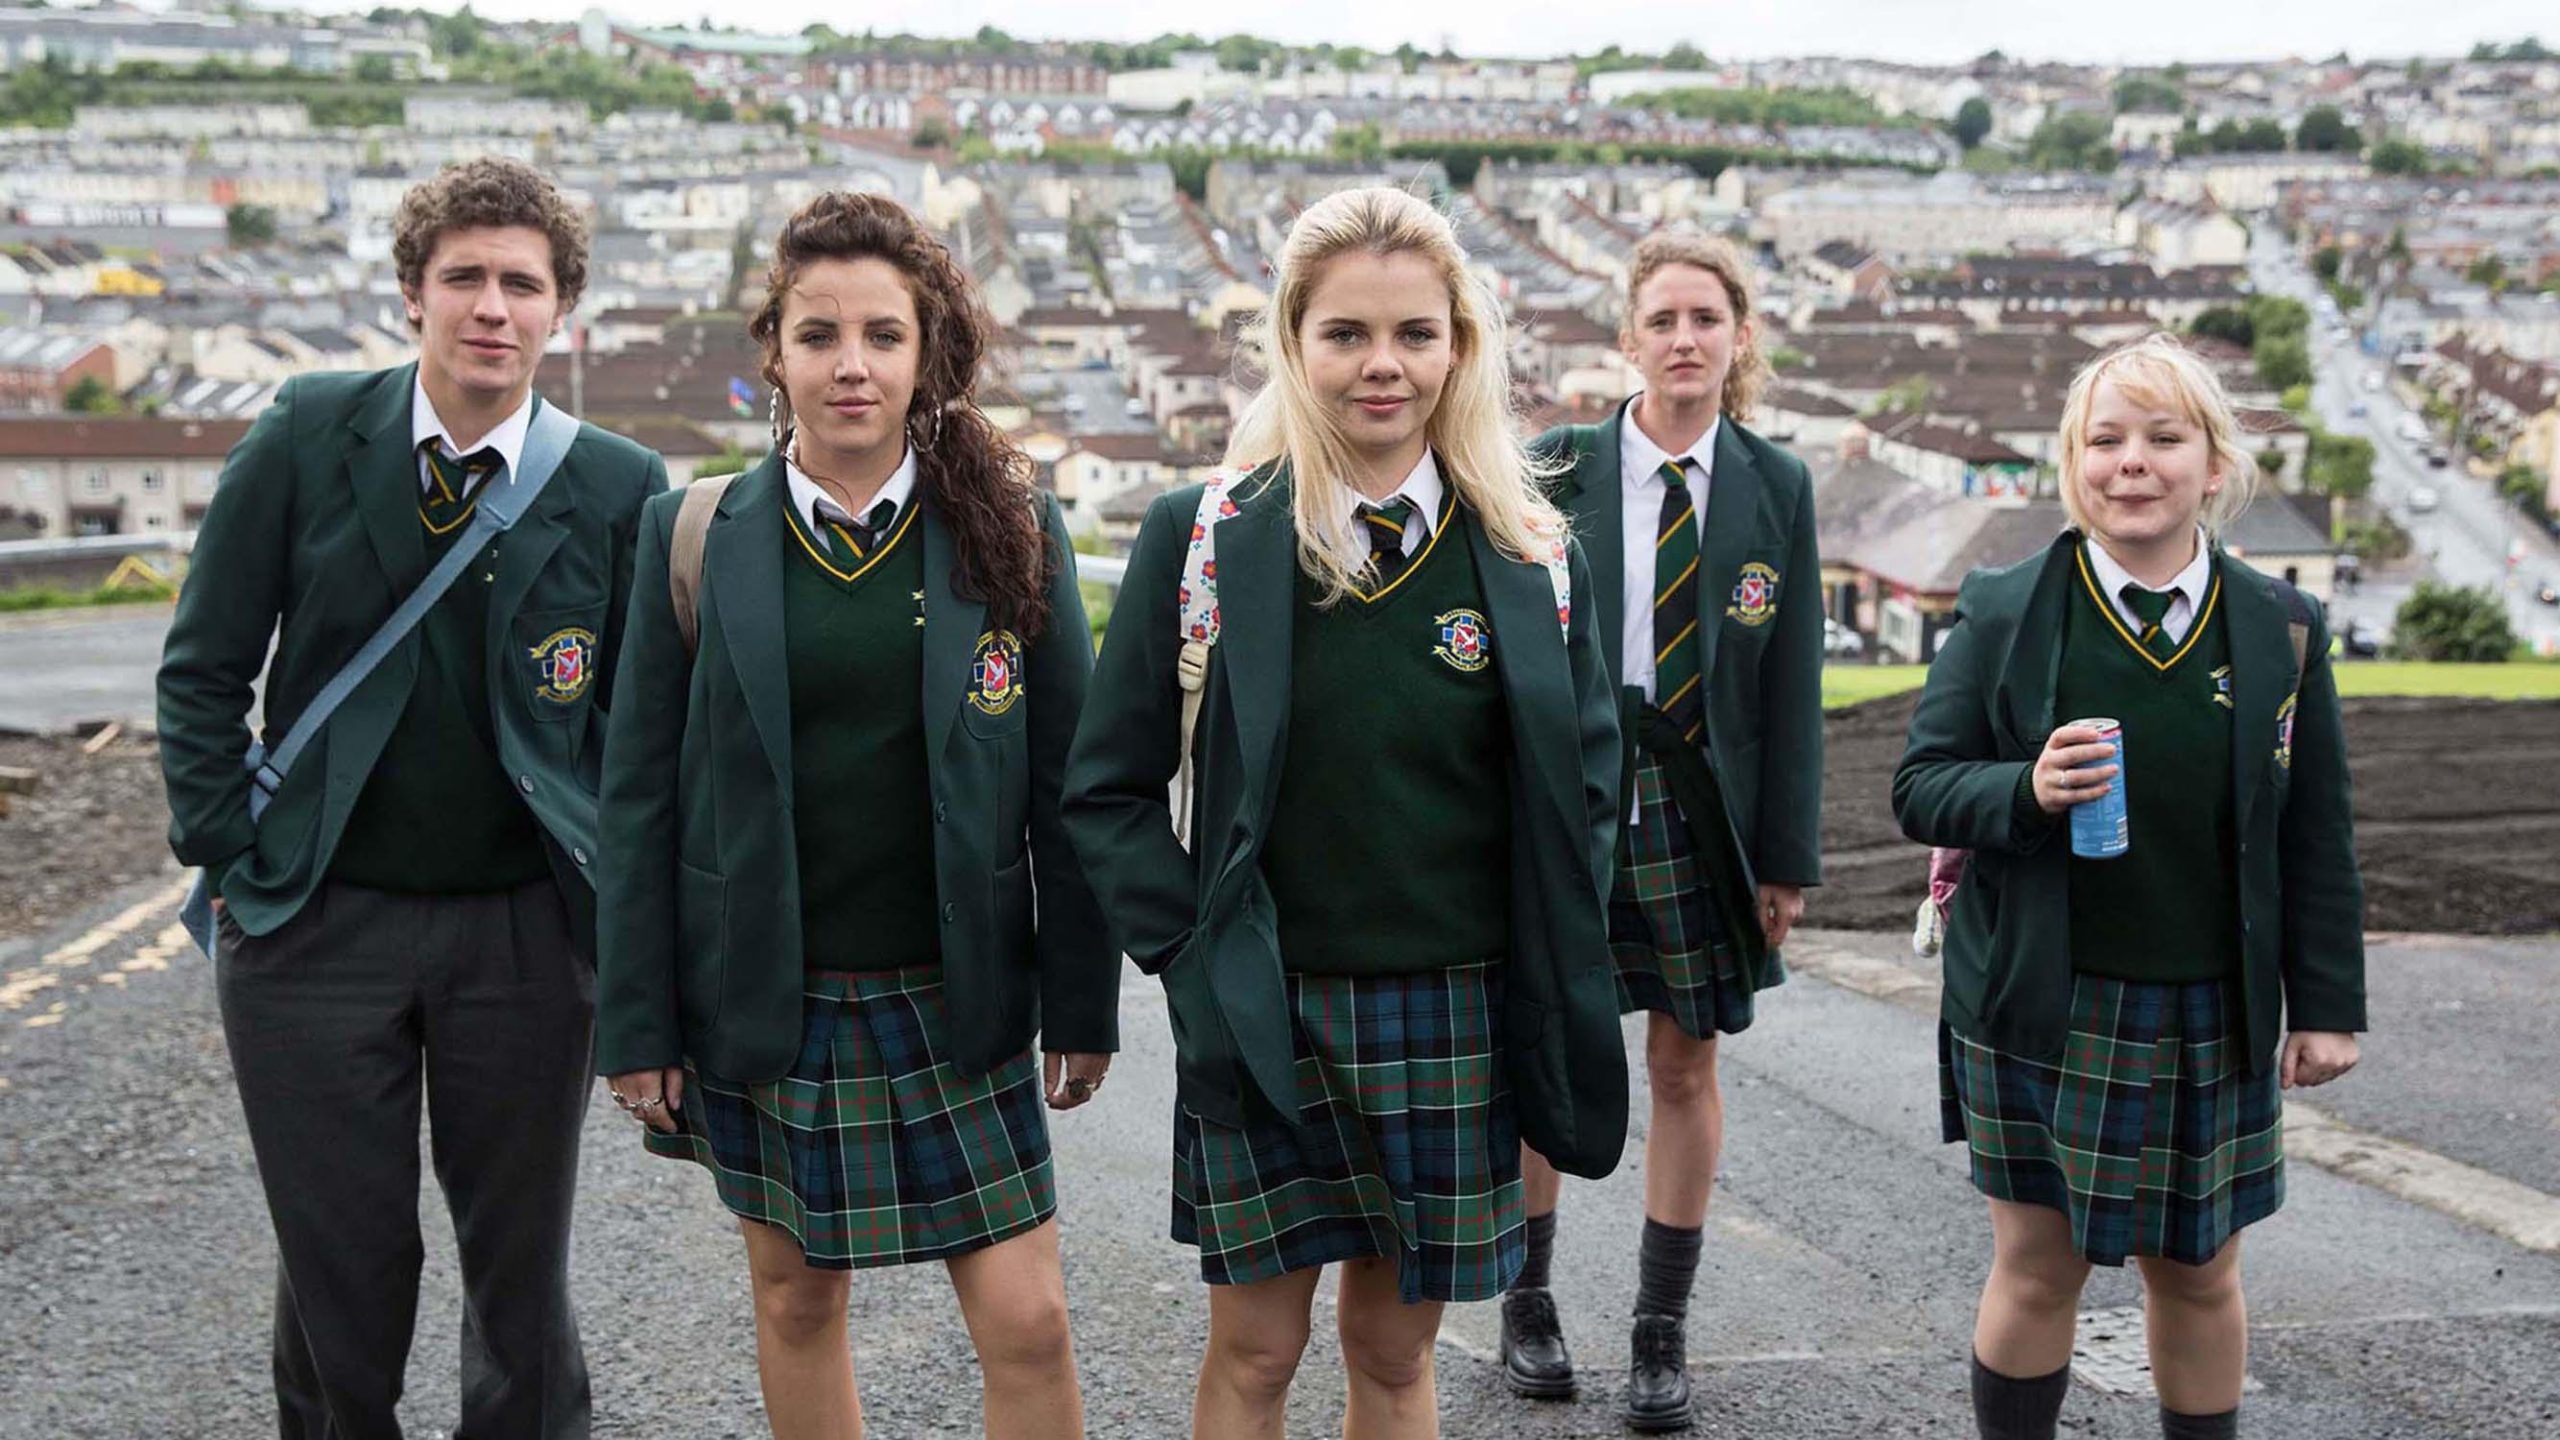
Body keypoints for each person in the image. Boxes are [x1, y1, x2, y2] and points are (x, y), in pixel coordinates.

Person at [1062, 185, 1627, 1440]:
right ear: (1293, 342)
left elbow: (1589, 793)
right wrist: (1193, 957)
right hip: (1264, 1007)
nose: (1384, 366)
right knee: (1256, 1355)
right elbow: (1103, 790)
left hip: (1456, 1015)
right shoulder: (1203, 540)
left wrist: (1538, 972)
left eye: (1415, 334)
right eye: (1347, 334)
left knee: (1391, 1352)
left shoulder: (1532, 553)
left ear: (1459, 347)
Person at [156, 156, 665, 1438]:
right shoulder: (307, 429)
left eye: (521, 283)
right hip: (316, 925)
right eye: (464, 279)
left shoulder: (617, 485)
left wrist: (633, 927)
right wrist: (236, 856)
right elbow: (204, 665)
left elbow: (643, 738)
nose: (492, 306)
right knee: (343, 1265)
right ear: (411, 295)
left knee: (518, 1279)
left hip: (524, 937)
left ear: (563, 313)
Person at [593, 191, 1112, 1440]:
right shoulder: (694, 534)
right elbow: (639, 800)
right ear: (774, 351)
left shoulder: (1010, 527)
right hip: (773, 995)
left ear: (927, 349)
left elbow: (1067, 785)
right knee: (794, 1303)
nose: (851, 365)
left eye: (883, 334)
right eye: (819, 335)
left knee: (1030, 1321)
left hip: (959, 994)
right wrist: (636, 1023)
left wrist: (1082, 997)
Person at [1892, 333, 2367, 1440]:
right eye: (2104, 441)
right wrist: (2027, 788)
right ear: (2072, 464)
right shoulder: (2006, 607)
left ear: (2214, 465)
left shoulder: (2280, 627)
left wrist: (2329, 1004)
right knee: (2037, 1266)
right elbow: (1921, 786)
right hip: (2042, 1002)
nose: (2131, 463)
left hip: (2212, 1004)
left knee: (2197, 1272)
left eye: (2164, 438)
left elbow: (2316, 824)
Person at [1505, 229, 1824, 1431]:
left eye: (1706, 318)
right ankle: (1526, 1304)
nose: (1684, 339)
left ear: (1739, 337)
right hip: (1571, 804)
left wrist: (1783, 857)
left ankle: (1658, 1333)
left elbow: (1789, 687)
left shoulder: (1774, 484)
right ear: (1624, 338)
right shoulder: (1549, 466)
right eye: (1663, 319)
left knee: (1685, 1062)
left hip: (1701, 816)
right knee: (1545, 1047)